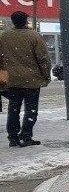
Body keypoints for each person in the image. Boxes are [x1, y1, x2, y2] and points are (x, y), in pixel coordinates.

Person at [0, 11, 51, 147]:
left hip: (12, 80)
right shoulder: (34, 36)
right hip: (32, 80)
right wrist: (46, 75)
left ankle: (13, 137)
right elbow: (43, 59)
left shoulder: (4, 37)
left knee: (13, 109)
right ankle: (26, 136)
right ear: (26, 21)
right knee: (31, 109)